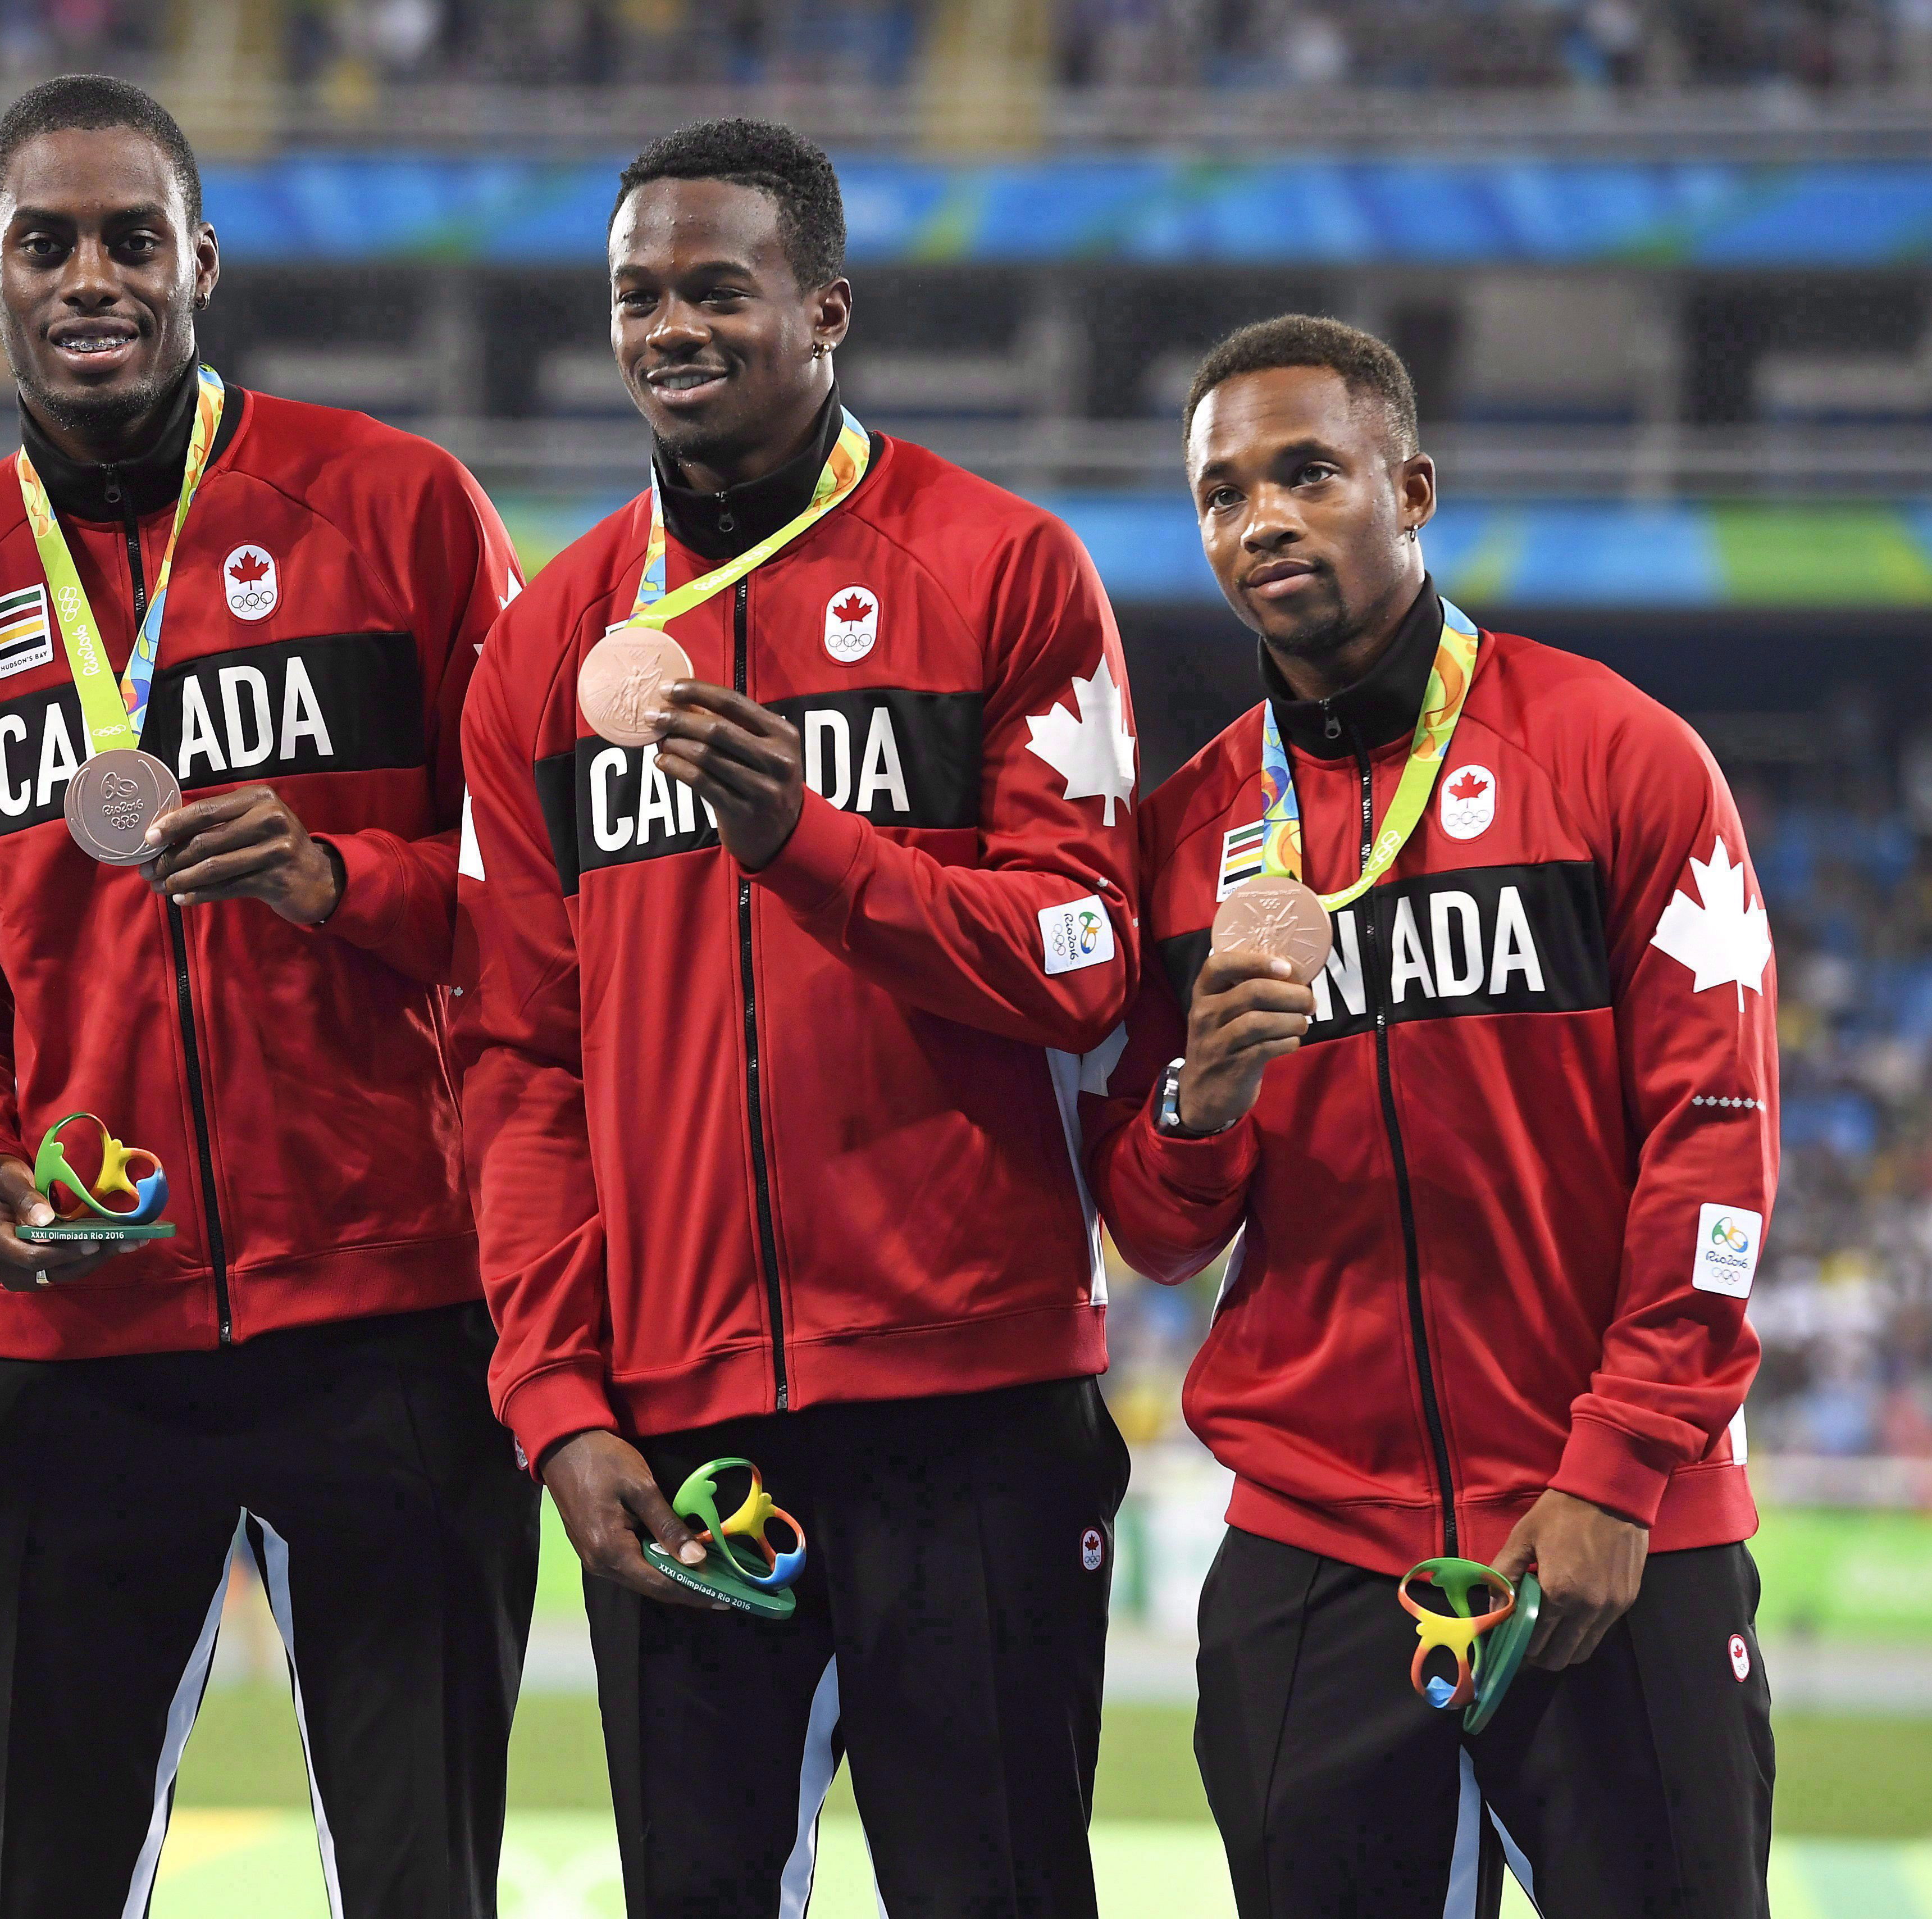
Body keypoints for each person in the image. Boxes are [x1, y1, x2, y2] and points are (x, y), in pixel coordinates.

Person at [0, 75, 535, 1918]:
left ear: (201, 262)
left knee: (424, 1889)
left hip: (395, 1321)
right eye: (45, 242)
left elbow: (553, 911)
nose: (94, 277)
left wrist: (342, 878)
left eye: (133, 238)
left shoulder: (399, 513)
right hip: (78, 1353)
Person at [457, 117, 1141, 1916]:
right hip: (680, 1428)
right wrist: (555, 1396)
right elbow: (520, 1061)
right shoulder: (544, 647)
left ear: (825, 309)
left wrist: (811, 848)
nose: (670, 325)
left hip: (972, 1406)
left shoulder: (1007, 570)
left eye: (717, 287)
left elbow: (1087, 955)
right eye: (634, 295)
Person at [1088, 315, 1775, 1916]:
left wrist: (1617, 1472)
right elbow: (1156, 1231)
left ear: (1412, 487)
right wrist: (1206, 1099)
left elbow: (1717, 1148)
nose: (1260, 518)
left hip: (1617, 1536)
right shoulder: (1189, 840)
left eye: (1306, 472)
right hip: (1318, 1564)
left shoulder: (1619, 760)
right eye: (1223, 492)